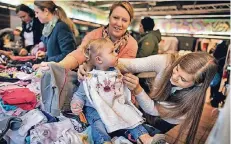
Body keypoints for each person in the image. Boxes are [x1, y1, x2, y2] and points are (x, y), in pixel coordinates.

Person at [78, 52, 218, 144]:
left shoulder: (189, 105)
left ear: (197, 84)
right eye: (176, 69)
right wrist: (92, 65)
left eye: (182, 79)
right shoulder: (166, 61)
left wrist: (138, 90)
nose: (173, 77)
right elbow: (127, 64)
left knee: (147, 134)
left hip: (159, 120)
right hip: (143, 108)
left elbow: (153, 110)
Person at [71, 38, 166, 144]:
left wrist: (127, 91)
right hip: (95, 108)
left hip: (115, 105)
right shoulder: (90, 78)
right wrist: (76, 103)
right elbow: (79, 94)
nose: (117, 54)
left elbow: (120, 89)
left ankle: (145, 138)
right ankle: (104, 141)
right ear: (99, 60)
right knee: (98, 124)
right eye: (112, 52)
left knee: (131, 116)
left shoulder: (116, 72)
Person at [36, 1, 138, 70]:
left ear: (129, 23)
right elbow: (79, 54)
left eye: (124, 20)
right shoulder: (93, 35)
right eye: (115, 17)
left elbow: (124, 68)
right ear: (109, 17)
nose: (119, 24)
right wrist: (59, 66)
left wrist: (89, 66)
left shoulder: (131, 44)